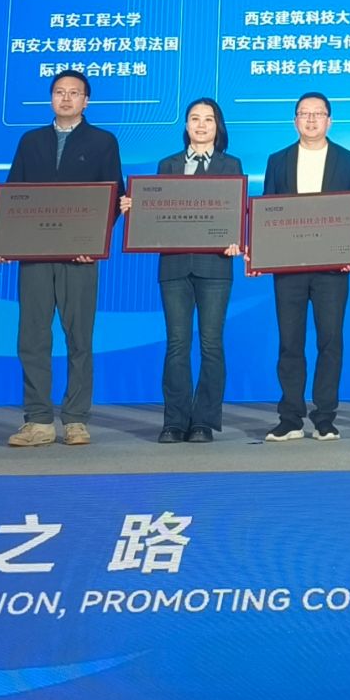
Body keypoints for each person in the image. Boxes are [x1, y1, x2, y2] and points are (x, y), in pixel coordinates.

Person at [0, 70, 123, 448]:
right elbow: (14, 195)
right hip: (35, 256)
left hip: (79, 257)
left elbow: (112, 197)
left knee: (79, 337)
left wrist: (94, 242)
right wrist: (7, 241)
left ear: (86, 101)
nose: (66, 98)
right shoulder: (31, 140)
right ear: (51, 98)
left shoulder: (103, 141)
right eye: (59, 92)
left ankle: (75, 419)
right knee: (32, 336)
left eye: (74, 93)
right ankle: (38, 419)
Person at [123, 97, 241, 445]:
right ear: (186, 125)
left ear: (218, 126)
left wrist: (236, 239)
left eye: (208, 119)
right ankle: (174, 421)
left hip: (215, 266)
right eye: (194, 118)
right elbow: (158, 213)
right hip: (174, 265)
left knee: (211, 344)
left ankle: (203, 421)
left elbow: (236, 213)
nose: (201, 125)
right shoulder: (168, 164)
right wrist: (136, 207)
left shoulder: (230, 165)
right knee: (177, 344)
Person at [259, 91, 350, 443]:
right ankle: (290, 418)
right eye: (304, 113)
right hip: (288, 267)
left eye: (318, 113)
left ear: (329, 121)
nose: (311, 119)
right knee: (290, 342)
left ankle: (324, 418)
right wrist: (263, 252)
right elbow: (267, 212)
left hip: (332, 269)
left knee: (330, 342)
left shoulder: (349, 160)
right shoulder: (278, 160)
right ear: (295, 121)